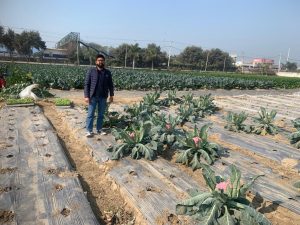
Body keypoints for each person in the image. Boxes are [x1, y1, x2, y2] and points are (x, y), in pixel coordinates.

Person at [84, 54, 114, 137]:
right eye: (99, 60)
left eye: (102, 60)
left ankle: (99, 129)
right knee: (90, 114)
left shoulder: (107, 72)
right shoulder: (91, 71)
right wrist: (86, 96)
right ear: (96, 62)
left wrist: (111, 95)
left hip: (103, 97)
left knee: (101, 114)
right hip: (93, 96)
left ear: (104, 61)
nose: (100, 62)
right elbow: (87, 84)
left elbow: (110, 85)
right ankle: (89, 130)